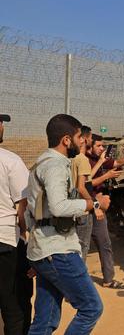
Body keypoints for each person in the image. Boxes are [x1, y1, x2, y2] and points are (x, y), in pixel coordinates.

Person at [25, 114, 111, 334]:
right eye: (79, 138)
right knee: (91, 308)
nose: (83, 142)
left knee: (44, 321)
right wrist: (94, 204)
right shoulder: (54, 165)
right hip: (58, 249)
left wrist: (39, 252)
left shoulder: (41, 162)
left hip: (46, 250)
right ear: (66, 140)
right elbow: (59, 207)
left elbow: (28, 212)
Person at [87, 133, 124, 289]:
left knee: (105, 243)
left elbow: (116, 162)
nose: (102, 148)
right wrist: (106, 176)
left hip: (98, 208)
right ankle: (74, 285)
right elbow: (85, 186)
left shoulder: (98, 159)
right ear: (89, 146)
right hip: (88, 207)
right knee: (81, 247)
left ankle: (108, 279)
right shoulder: (84, 161)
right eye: (98, 145)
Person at [0, 113, 33, 335]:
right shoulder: (10, 161)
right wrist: (25, 234)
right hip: (6, 242)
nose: (2, 126)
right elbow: (24, 207)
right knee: (15, 307)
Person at [72, 125, 103, 261]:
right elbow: (82, 187)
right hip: (84, 210)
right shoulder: (83, 159)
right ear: (84, 140)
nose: (91, 140)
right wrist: (96, 206)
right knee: (82, 248)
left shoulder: (73, 159)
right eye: (90, 137)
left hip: (74, 207)